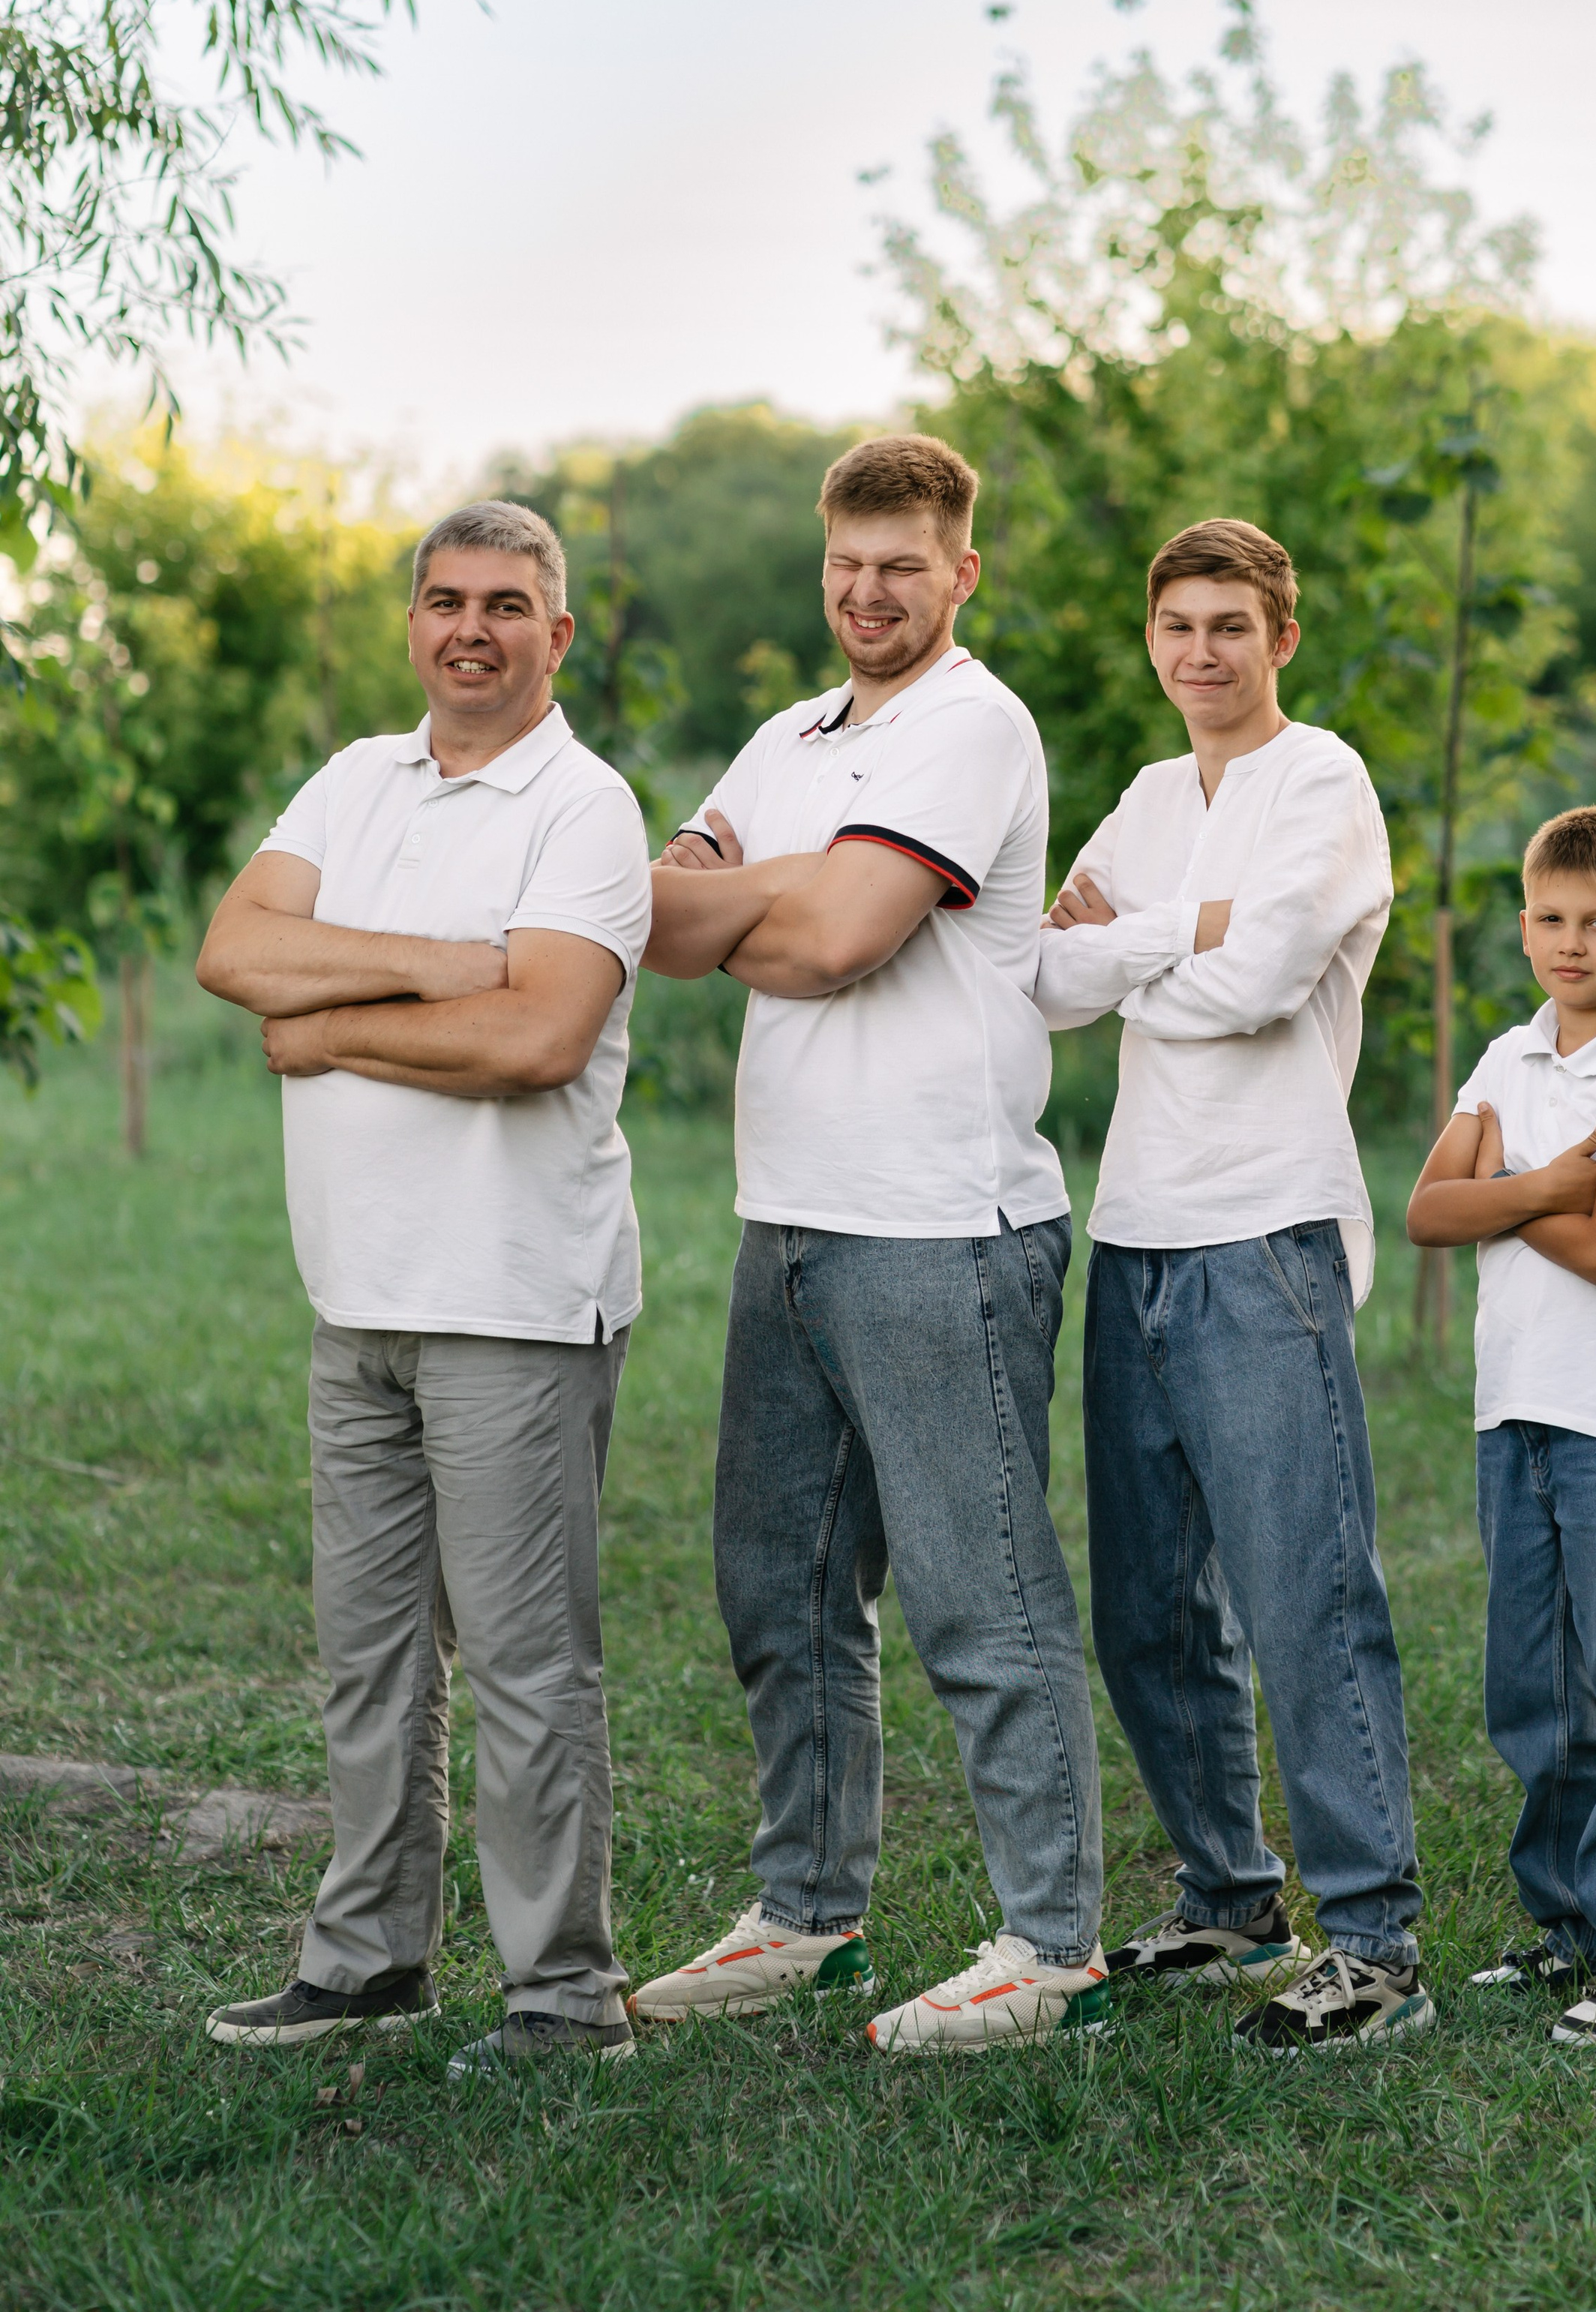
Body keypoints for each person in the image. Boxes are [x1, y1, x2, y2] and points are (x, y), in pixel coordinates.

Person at [626, 432, 1106, 2051]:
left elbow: (829, 940)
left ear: (960, 570)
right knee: (779, 1584)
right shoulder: (788, 734)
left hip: (938, 1225)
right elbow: (658, 919)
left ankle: (1050, 1950)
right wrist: (783, 894)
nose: (866, 591)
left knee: (982, 1597)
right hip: (792, 1222)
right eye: (845, 562)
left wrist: (768, 901)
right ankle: (808, 1915)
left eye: (901, 564)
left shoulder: (976, 728)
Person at [194, 500, 656, 2079]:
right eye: (446, 599)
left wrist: (331, 1022)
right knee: (368, 1650)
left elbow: (535, 1044)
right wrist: (450, 962)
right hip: (358, 1295)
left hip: (514, 1301)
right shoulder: (358, 777)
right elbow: (232, 946)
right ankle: (365, 1958)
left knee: (527, 1666)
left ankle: (561, 1998)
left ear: (558, 631)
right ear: (414, 620)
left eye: (507, 604)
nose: (472, 627)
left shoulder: (583, 809)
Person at [1034, 518, 1431, 2055]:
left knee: (1301, 1594)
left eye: (1228, 626)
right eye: (1175, 626)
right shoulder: (1144, 795)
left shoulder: (1320, 781)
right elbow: (1044, 976)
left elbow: (1264, 977)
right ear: (1150, 640)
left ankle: (1372, 1942)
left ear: (1279, 636)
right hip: (1132, 1222)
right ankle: (1225, 1891)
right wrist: (1174, 936)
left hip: (1263, 1231)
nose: (1198, 652)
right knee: (1147, 1606)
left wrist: (1139, 945)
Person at [1406, 803, 1596, 2049]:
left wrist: (1496, 1198)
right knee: (1533, 1692)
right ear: (1522, 926)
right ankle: (1569, 1930)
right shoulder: (1504, 1060)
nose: (1572, 942)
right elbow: (1429, 1212)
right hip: (1514, 1415)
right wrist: (1538, 1182)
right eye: (1550, 919)